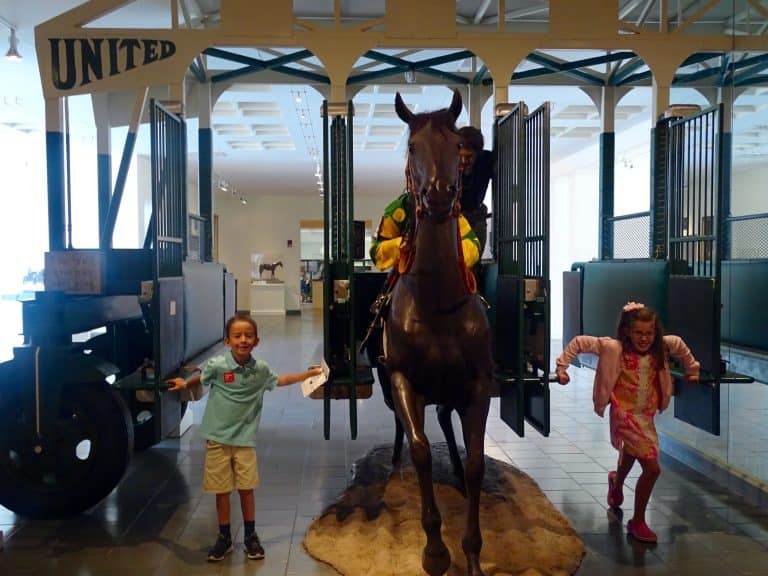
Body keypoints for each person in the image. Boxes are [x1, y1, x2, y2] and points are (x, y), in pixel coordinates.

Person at [166, 314, 322, 562]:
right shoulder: (218, 365)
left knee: (246, 489)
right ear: (228, 341)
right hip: (217, 440)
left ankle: (251, 535)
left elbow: (279, 380)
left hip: (244, 441)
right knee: (222, 490)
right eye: (237, 336)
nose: (243, 340)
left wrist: (306, 375)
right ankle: (224, 537)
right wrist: (184, 384)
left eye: (248, 335)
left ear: (256, 341)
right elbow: (203, 378)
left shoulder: (259, 371)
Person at [554, 302, 700, 543]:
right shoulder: (614, 348)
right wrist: (562, 368)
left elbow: (682, 347)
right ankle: (638, 521)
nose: (644, 338)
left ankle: (616, 481)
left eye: (649, 333)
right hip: (624, 414)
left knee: (632, 454)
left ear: (656, 333)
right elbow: (579, 342)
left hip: (646, 415)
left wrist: (692, 369)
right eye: (638, 333)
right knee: (652, 469)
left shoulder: (662, 347)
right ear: (627, 332)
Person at [457, 126, 494, 258]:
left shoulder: (487, 160)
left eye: (469, 156)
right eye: (460, 156)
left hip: (477, 216)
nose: (464, 161)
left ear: (478, 153)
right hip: (455, 217)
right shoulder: (448, 163)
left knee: (473, 258)